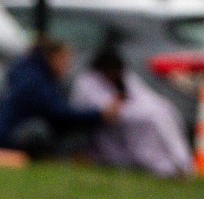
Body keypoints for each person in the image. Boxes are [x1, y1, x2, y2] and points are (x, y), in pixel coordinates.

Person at [70, 43, 194, 179]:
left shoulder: (125, 77)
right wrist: (113, 107)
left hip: (137, 115)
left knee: (164, 111)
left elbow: (144, 96)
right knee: (151, 120)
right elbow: (92, 108)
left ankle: (181, 163)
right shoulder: (88, 81)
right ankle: (164, 166)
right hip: (109, 129)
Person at [0, 37, 119, 160]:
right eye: (65, 60)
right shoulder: (36, 81)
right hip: (9, 142)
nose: (68, 66)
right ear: (54, 57)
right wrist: (99, 114)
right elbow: (60, 113)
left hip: (4, 136)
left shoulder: (32, 74)